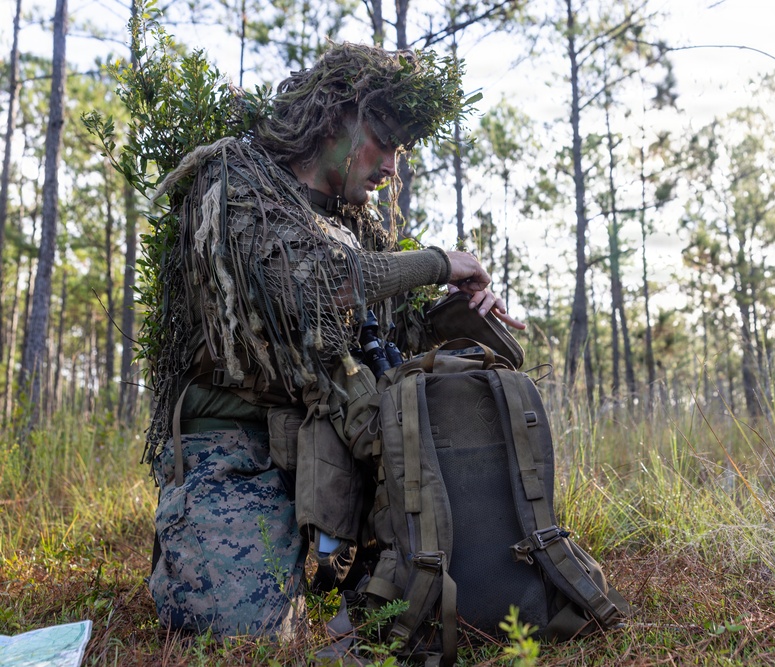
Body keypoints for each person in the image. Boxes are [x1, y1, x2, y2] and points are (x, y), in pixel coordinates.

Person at [144, 41, 525, 638]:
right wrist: (438, 262)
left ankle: (328, 558)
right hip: (237, 442)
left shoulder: (356, 221)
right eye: (385, 139)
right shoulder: (234, 180)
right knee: (242, 630)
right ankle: (206, 535)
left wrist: (458, 314)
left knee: (449, 592)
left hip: (336, 446)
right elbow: (313, 288)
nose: (393, 166)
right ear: (334, 119)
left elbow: (382, 336)